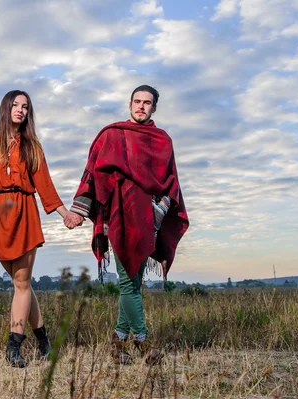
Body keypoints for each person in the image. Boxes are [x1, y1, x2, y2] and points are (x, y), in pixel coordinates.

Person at [64, 85, 189, 365]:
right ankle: (143, 342)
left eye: (147, 103)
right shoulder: (112, 135)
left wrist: (158, 213)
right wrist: (80, 212)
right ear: (129, 104)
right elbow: (93, 172)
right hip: (118, 218)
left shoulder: (162, 140)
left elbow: (171, 184)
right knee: (128, 283)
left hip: (146, 222)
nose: (141, 106)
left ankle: (118, 341)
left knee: (132, 282)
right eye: (137, 101)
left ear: (154, 107)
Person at [0, 90, 73, 368]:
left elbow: (45, 185)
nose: (21, 110)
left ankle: (13, 347)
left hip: (25, 211)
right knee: (21, 285)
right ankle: (44, 342)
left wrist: (65, 213)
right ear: (6, 109)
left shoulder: (33, 147)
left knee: (22, 283)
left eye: (25, 107)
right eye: (15, 105)